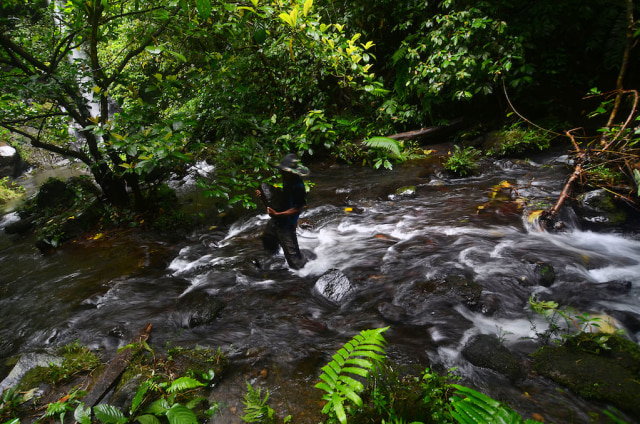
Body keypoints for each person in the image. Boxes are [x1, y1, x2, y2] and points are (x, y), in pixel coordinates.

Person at [256, 153, 310, 270]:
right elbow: (282, 199)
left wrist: (278, 214)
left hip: (287, 224)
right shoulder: (287, 180)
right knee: (268, 238)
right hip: (278, 219)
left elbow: (297, 209)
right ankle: (272, 263)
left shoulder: (298, 187)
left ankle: (305, 271)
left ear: (291, 172)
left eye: (284, 171)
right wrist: (263, 197)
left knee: (295, 263)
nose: (281, 172)